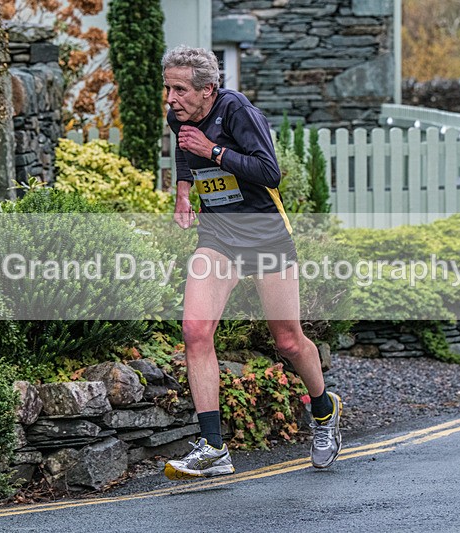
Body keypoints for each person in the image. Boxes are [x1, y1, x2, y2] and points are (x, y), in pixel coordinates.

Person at [160, 45, 342, 479]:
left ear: (208, 90)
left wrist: (215, 152)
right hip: (219, 235)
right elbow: (186, 152)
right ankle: (214, 448)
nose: (171, 99)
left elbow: (269, 172)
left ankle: (323, 410)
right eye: (167, 88)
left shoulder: (237, 111)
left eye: (180, 89)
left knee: (288, 341)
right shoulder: (179, 116)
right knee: (195, 330)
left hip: (265, 237)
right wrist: (184, 192)